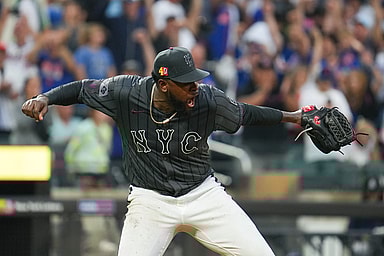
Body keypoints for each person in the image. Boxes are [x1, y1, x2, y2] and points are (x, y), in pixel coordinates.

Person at [22, 46, 305, 256]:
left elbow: (246, 113)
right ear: (164, 84)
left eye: (195, 79)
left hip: (203, 195)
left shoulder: (207, 100)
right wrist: (45, 97)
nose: (195, 87)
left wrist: (295, 117)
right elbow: (82, 89)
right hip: (150, 201)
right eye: (186, 83)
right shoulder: (127, 92)